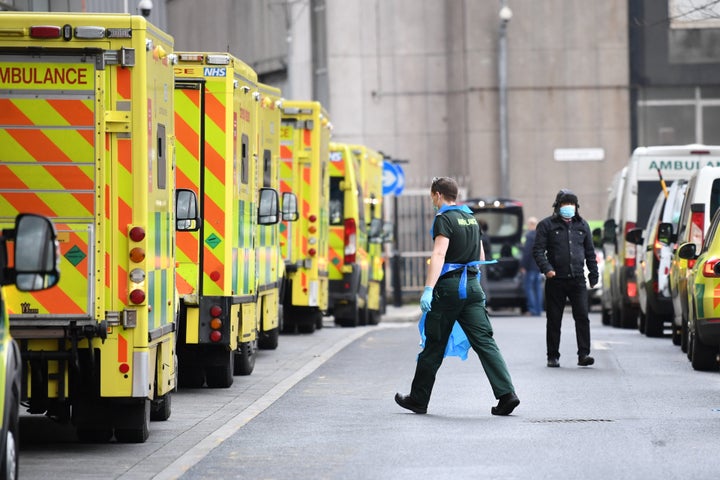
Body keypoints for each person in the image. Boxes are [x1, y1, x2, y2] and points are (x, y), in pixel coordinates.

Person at [395, 177, 519, 415]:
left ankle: (418, 399)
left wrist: (429, 288)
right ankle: (507, 394)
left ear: (438, 195)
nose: (433, 200)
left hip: (450, 288)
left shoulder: (445, 218)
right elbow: (480, 255)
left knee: (434, 343)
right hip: (472, 285)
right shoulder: (470, 217)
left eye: (433, 196)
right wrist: (474, 282)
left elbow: (439, 254)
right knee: (485, 341)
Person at [532, 189, 598, 368]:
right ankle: (552, 356)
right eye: (564, 204)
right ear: (557, 206)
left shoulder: (582, 225)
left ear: (576, 207)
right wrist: (547, 269)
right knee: (554, 319)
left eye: (572, 205)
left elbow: (590, 252)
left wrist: (593, 274)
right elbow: (538, 250)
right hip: (556, 279)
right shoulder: (546, 225)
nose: (568, 208)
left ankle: (584, 354)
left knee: (582, 316)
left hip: (577, 279)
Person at [520, 217, 543, 316]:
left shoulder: (529, 236)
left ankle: (532, 309)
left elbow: (527, 253)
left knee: (529, 288)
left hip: (530, 267)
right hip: (538, 266)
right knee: (538, 289)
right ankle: (539, 310)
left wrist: (523, 265)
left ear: (530, 225)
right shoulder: (540, 235)